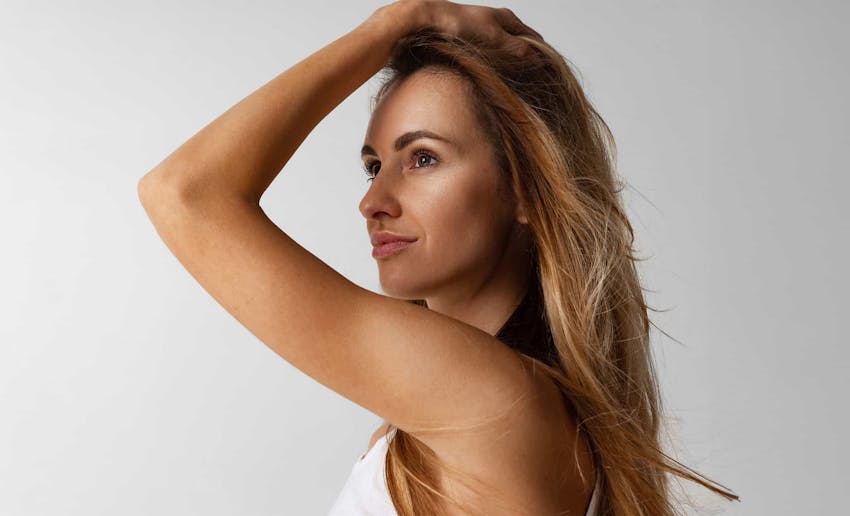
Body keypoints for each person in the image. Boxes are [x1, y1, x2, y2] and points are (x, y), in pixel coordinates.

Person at [138, 1, 739, 514]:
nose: (373, 201)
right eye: (375, 166)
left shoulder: (489, 399)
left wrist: (403, 19)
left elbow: (186, 193)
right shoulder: (462, 414)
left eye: (422, 157)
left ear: (525, 190)